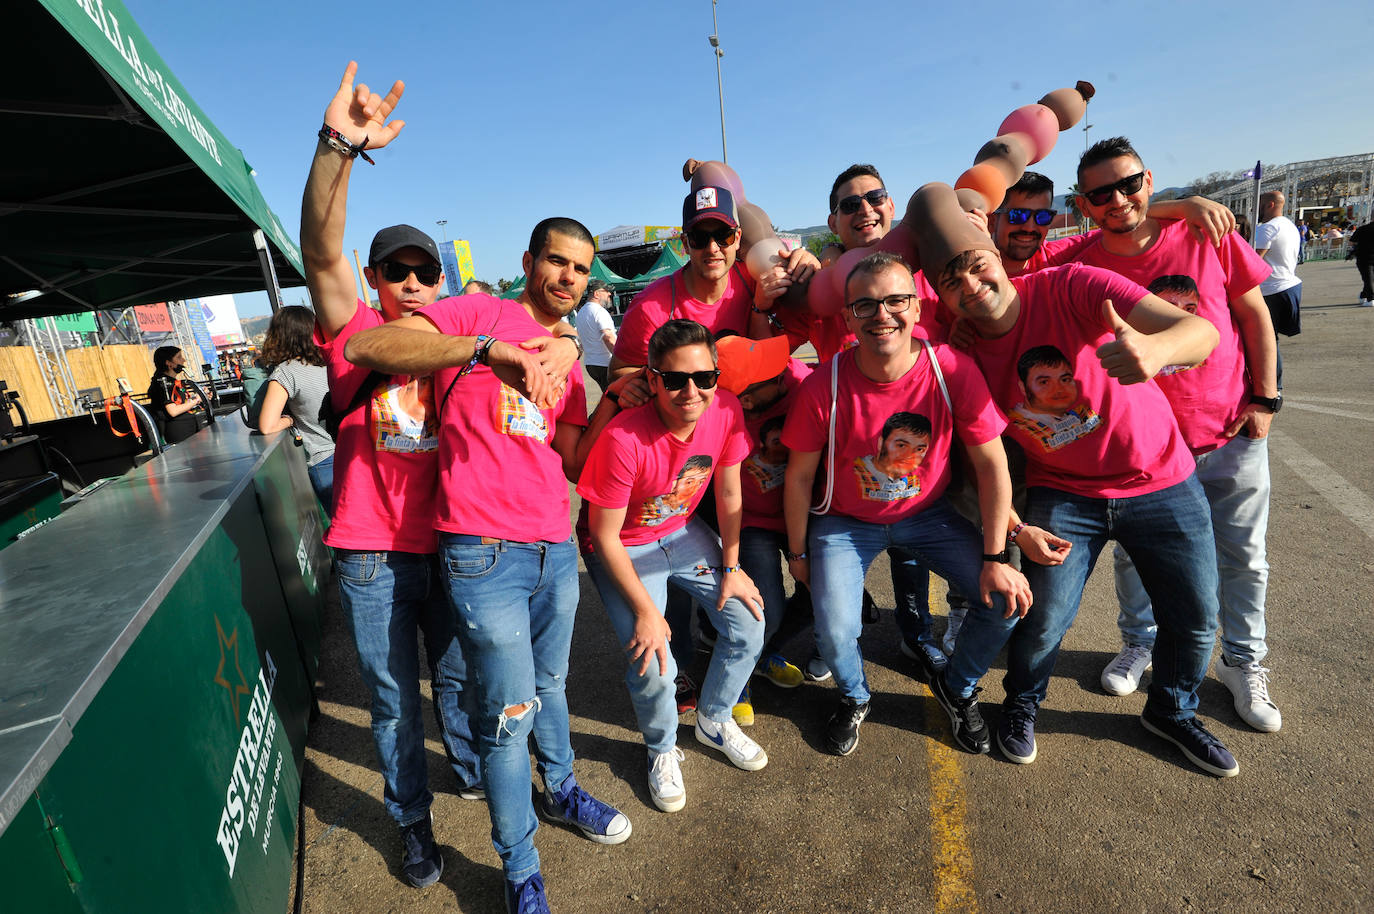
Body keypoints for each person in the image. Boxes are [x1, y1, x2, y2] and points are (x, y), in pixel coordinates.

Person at [345, 204, 628, 910]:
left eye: (581, 268)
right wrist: (483, 349)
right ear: (531, 263)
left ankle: (561, 790)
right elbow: (371, 350)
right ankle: (520, 868)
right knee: (507, 718)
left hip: (555, 548)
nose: (569, 276)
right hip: (481, 552)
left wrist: (613, 408)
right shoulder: (475, 312)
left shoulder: (565, 343)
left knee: (554, 689)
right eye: (558, 260)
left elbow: (567, 456)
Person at [922, 193, 1239, 778]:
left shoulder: (1073, 286)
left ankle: (1171, 710)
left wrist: (1157, 348)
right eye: (951, 280)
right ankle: (1020, 705)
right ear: (940, 295)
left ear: (997, 251)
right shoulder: (961, 354)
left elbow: (1199, 331)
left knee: (1194, 614)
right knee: (1043, 619)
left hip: (1162, 480)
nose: (970, 284)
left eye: (976, 263)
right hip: (1064, 492)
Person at [301, 64, 484, 893]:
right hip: (373, 554)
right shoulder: (356, 333)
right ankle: (413, 824)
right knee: (391, 703)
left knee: (452, 676)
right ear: (375, 283)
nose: (412, 283)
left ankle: (474, 765)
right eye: (396, 272)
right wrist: (339, 148)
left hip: (449, 544)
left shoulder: (457, 338)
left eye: (425, 272)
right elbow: (319, 247)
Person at [782, 251, 1031, 756]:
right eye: (866, 305)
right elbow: (799, 477)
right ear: (848, 316)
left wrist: (995, 558)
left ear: (918, 308)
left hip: (929, 515)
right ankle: (854, 696)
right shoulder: (822, 383)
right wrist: (799, 555)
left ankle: (957, 688)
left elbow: (991, 464)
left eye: (896, 300)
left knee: (1005, 600)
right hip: (846, 522)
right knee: (834, 631)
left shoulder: (950, 368)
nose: (882, 315)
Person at [1071, 138, 1281, 734]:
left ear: (1148, 178)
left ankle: (1244, 663)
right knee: (1137, 558)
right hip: (1142, 448)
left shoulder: (1208, 236)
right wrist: (1179, 202)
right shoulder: (1081, 259)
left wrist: (1264, 397)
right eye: (1101, 193)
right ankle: (1140, 644)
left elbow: (1253, 317)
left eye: (1130, 183)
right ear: (1085, 204)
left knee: (1242, 557)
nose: (1119, 200)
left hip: (1226, 431)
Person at [579, 319, 771, 812]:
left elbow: (729, 493)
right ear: (653, 377)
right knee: (654, 657)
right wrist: (646, 611)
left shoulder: (724, 410)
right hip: (624, 545)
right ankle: (661, 748)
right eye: (675, 379)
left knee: (749, 621)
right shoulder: (624, 437)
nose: (692, 391)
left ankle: (713, 717)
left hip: (683, 534)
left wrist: (732, 565)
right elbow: (603, 534)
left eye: (704, 378)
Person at [256, 305, 336, 508]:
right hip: (355, 453)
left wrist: (290, 419)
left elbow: (267, 425)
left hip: (325, 461)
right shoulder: (330, 362)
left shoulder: (286, 372)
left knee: (346, 534)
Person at [1255, 190, 1302, 381]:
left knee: (1266, 341)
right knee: (1271, 340)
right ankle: (1275, 384)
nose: (1256, 209)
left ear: (1270, 205)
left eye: (1259, 205)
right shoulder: (1289, 226)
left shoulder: (1268, 228)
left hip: (1271, 290)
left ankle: (1275, 385)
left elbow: (1253, 261)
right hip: (1289, 285)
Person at [146, 345, 203, 444]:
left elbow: (181, 403)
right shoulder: (163, 383)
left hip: (188, 429)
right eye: (179, 357)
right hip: (179, 433)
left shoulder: (172, 382)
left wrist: (199, 397)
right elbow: (173, 411)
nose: (183, 360)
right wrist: (196, 400)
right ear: (169, 363)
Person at [576, 279, 618, 390]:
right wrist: (621, 359)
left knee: (608, 395)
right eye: (606, 291)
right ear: (596, 294)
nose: (609, 293)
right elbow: (608, 338)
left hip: (591, 364)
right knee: (618, 400)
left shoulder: (581, 312)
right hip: (606, 363)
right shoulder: (599, 311)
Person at [1346, 218, 1374, 306]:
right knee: (1370, 279)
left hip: (1364, 257)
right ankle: (1370, 298)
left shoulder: (1362, 229)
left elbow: (1351, 242)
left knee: (1368, 278)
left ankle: (1365, 296)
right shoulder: (1362, 229)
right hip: (1366, 258)